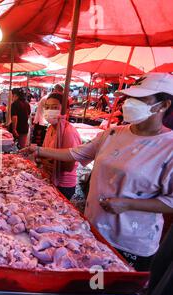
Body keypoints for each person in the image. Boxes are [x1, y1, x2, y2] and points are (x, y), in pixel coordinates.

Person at [24, 73, 173, 271]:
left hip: (130, 240)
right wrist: (38, 149)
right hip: (92, 227)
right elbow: (76, 153)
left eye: (140, 99)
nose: (129, 103)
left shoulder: (168, 147)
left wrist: (129, 204)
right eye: (130, 98)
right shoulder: (113, 133)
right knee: (92, 283)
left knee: (113, 289)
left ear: (163, 105)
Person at [40, 93, 81, 200]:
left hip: (63, 185)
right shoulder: (50, 128)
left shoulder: (68, 131)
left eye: (55, 108)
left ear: (66, 110)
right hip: (49, 178)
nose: (49, 110)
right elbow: (44, 154)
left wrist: (45, 161)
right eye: (47, 107)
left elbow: (69, 166)